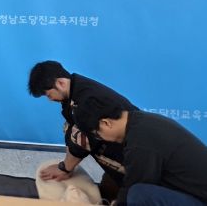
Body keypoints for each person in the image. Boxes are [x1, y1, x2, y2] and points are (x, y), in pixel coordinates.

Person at [28, 60, 137, 201]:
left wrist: (64, 169)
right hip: (116, 158)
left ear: (60, 83)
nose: (50, 99)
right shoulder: (75, 90)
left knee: (128, 195)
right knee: (106, 191)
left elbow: (81, 141)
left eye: (48, 95)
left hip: (134, 158)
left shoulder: (87, 101)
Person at [73, 96, 207, 206]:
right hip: (193, 190)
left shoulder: (139, 144)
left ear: (106, 123)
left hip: (200, 199)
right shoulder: (141, 120)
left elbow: (134, 185)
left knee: (138, 194)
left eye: (97, 134)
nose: (100, 138)